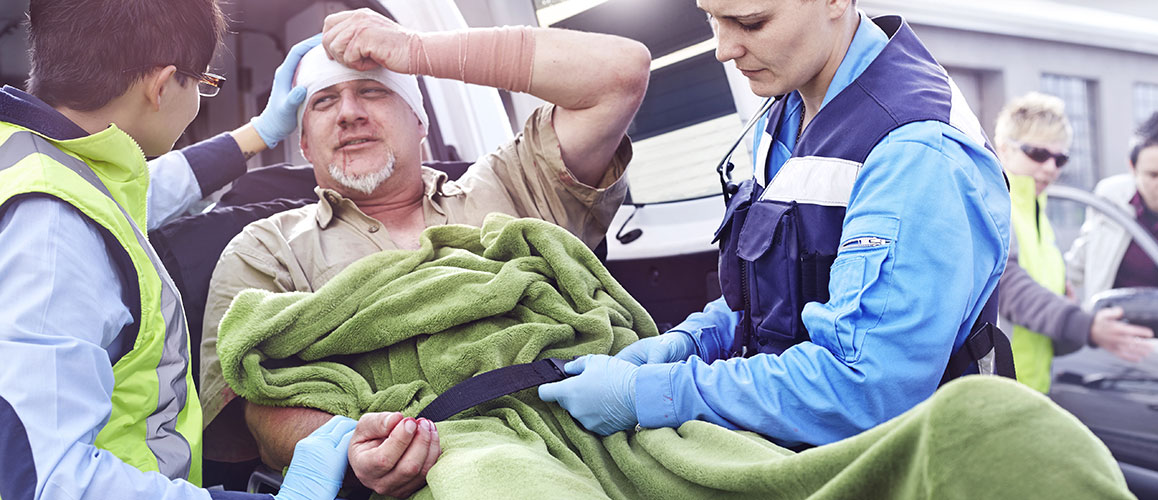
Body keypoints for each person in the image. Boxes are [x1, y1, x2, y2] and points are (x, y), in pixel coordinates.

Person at [198, 8, 649, 497]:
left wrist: (417, 50)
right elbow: (256, 403)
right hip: (424, 468)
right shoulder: (267, 246)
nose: (349, 112)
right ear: (304, 144)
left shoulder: (511, 185)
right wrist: (354, 448)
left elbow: (619, 75)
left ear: (420, 121)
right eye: (325, 101)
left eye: (373, 90)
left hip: (593, 430)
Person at [539, 0, 1012, 446]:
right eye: (712, 18)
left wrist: (654, 394)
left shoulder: (918, 156)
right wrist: (693, 340)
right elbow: (775, 294)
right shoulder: (788, 108)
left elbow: (864, 389)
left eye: (751, 23)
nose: (724, 49)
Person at [0, 1, 404, 499]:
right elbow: (43, 481)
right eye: (205, 83)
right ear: (163, 85)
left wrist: (257, 134)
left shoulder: (34, 164)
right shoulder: (51, 224)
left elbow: (136, 190)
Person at [993, 93, 1153, 393]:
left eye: (1060, 158)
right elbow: (1009, 289)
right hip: (999, 390)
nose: (1051, 167)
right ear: (1003, 148)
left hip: (1033, 388)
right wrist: (1087, 326)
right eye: (1038, 153)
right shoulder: (994, 209)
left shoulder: (1039, 220)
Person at [1066, 111, 1158, 301]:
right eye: (1153, 175)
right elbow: (1080, 257)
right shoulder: (1109, 198)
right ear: (1132, 168)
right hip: (1107, 324)